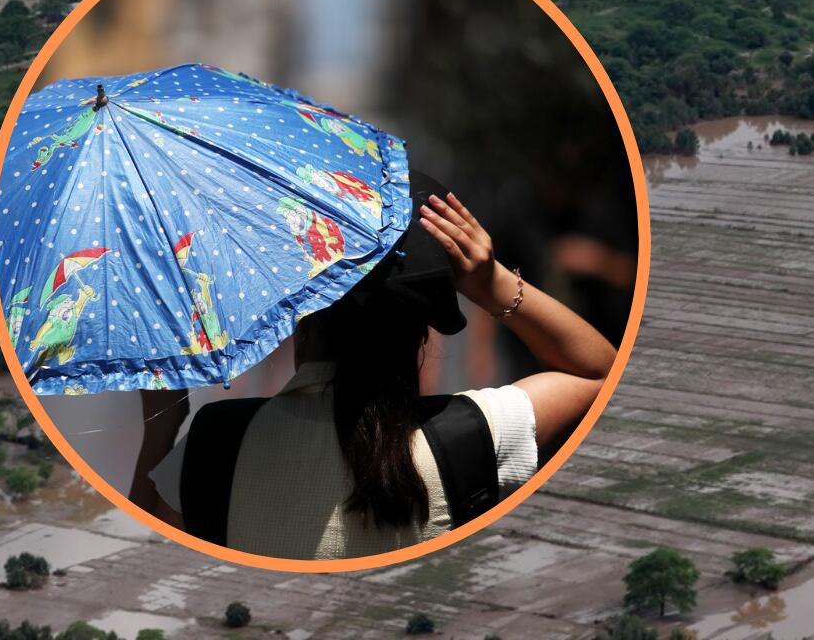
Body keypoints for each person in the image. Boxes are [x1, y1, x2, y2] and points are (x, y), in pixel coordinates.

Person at [127, 177, 620, 559]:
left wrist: (161, 426)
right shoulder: (473, 434)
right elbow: (597, 374)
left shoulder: (216, 442)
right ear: (421, 337)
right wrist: (489, 282)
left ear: (300, 324)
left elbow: (144, 562)